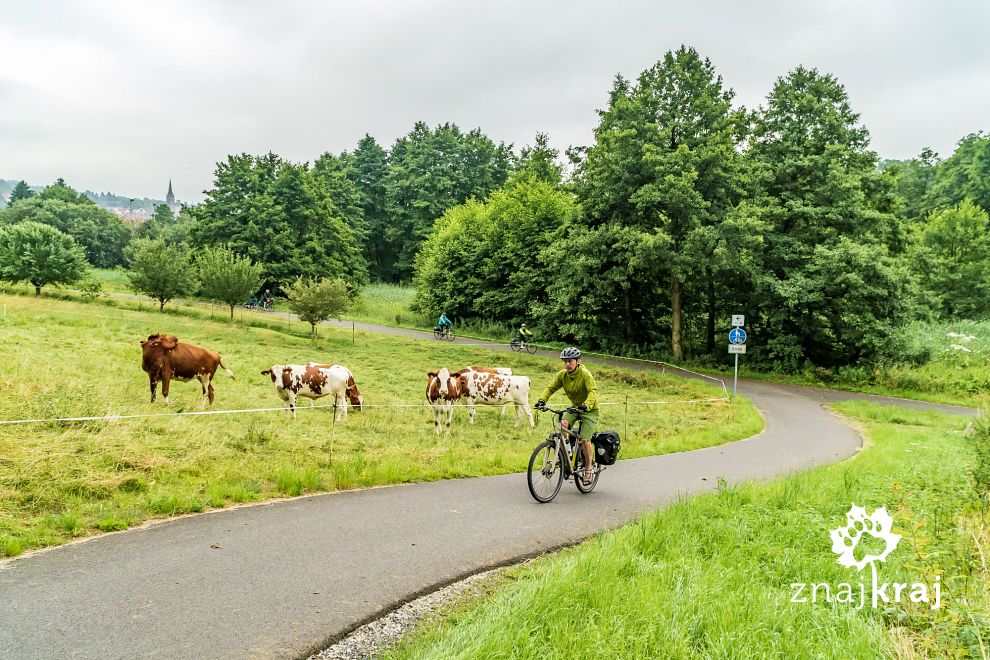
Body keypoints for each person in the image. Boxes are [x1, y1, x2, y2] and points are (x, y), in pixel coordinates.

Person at [535, 347, 599, 486]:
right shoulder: (562, 375)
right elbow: (551, 388)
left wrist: (587, 405)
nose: (567, 364)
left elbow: (592, 391)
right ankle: (567, 453)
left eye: (570, 361)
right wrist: (542, 400)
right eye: (565, 362)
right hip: (575, 408)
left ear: (578, 361)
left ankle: (588, 467)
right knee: (562, 424)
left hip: (589, 410)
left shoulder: (585, 373)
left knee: (585, 440)